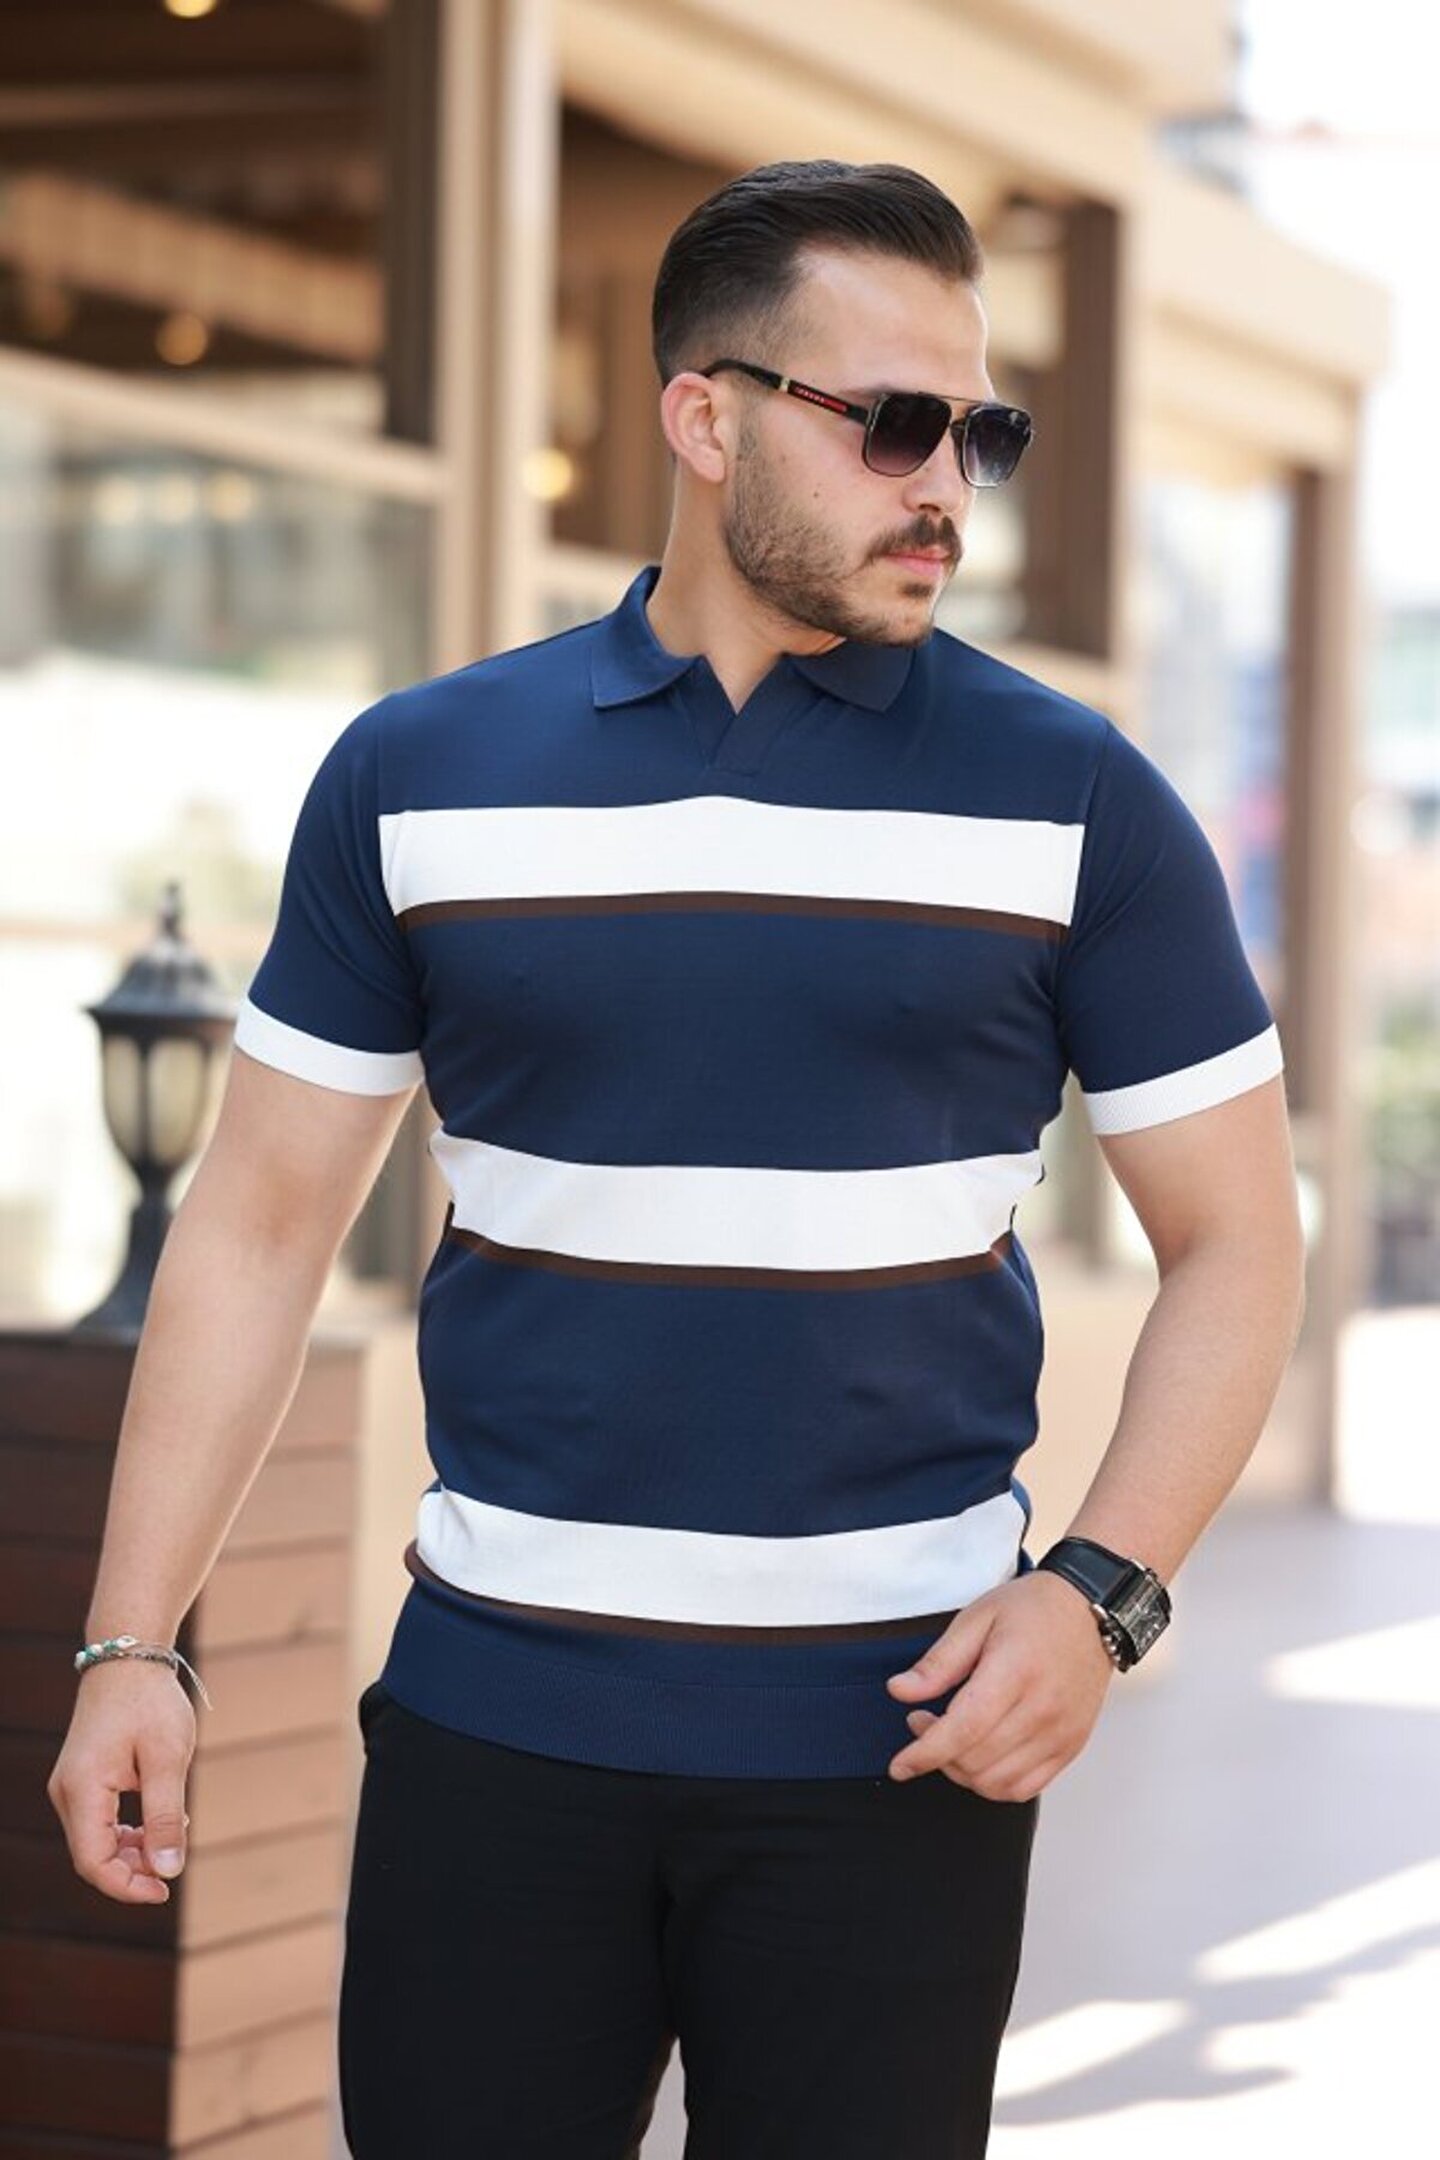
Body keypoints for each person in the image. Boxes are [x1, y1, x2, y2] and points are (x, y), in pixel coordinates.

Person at [48, 160, 1307, 2159]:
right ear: (705, 419)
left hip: (894, 1764)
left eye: (979, 435)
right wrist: (134, 1642)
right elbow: (261, 1227)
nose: (946, 486)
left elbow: (1239, 1242)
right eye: (891, 422)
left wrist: (1099, 1592)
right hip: (492, 1743)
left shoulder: (1079, 799)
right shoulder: (420, 774)